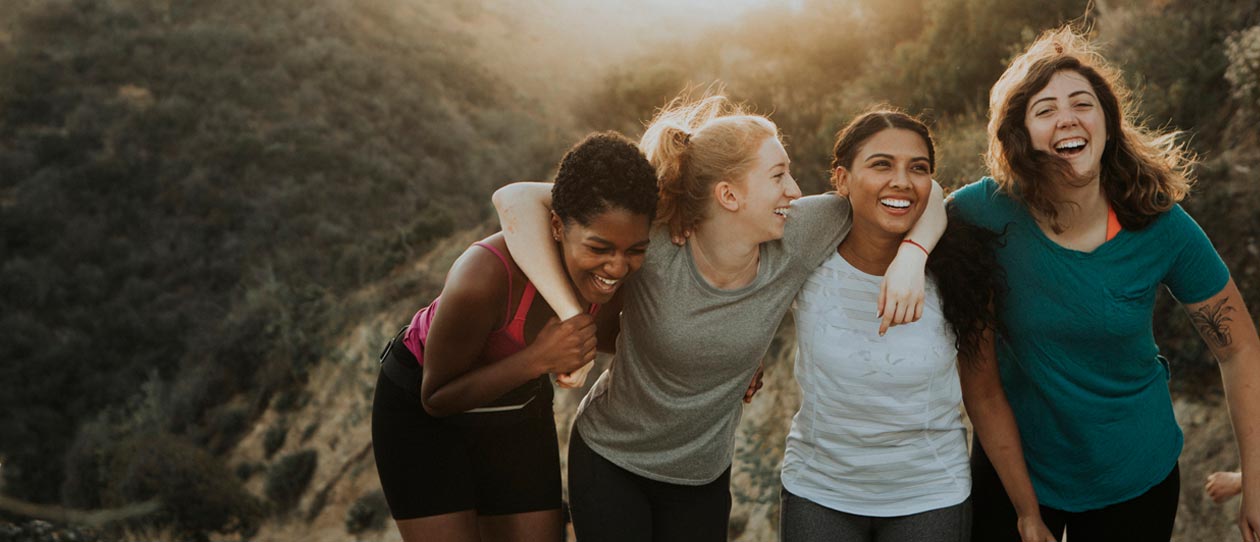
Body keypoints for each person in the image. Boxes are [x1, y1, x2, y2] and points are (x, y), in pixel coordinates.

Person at [492, 94, 946, 541]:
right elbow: (515, 199)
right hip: (611, 460)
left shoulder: (800, 232)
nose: (795, 190)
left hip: (702, 479)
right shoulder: (655, 239)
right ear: (729, 194)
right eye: (778, 175)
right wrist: (574, 320)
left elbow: (925, 191)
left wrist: (911, 256)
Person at [951, 27, 1260, 542]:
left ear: (1107, 124)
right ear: (1020, 134)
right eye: (1045, 109)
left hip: (1134, 474)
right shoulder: (983, 212)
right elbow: (910, 210)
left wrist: (1256, 476)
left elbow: (1239, 346)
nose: (1067, 117)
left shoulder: (1159, 223)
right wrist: (910, 254)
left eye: (1082, 103)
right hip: (1015, 471)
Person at [779, 109, 1054, 542]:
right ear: (842, 179)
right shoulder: (809, 255)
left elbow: (983, 395)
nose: (902, 181)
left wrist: (1027, 512)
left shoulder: (960, 273)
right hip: (819, 491)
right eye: (881, 164)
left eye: (918, 168)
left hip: (930, 497)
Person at [370, 131, 659, 542]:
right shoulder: (483, 278)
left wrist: (728, 362)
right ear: (557, 225)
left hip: (516, 405)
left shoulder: (615, 278)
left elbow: (634, 338)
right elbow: (436, 398)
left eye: (635, 250)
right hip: (421, 414)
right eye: (599, 248)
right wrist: (539, 359)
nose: (616, 267)